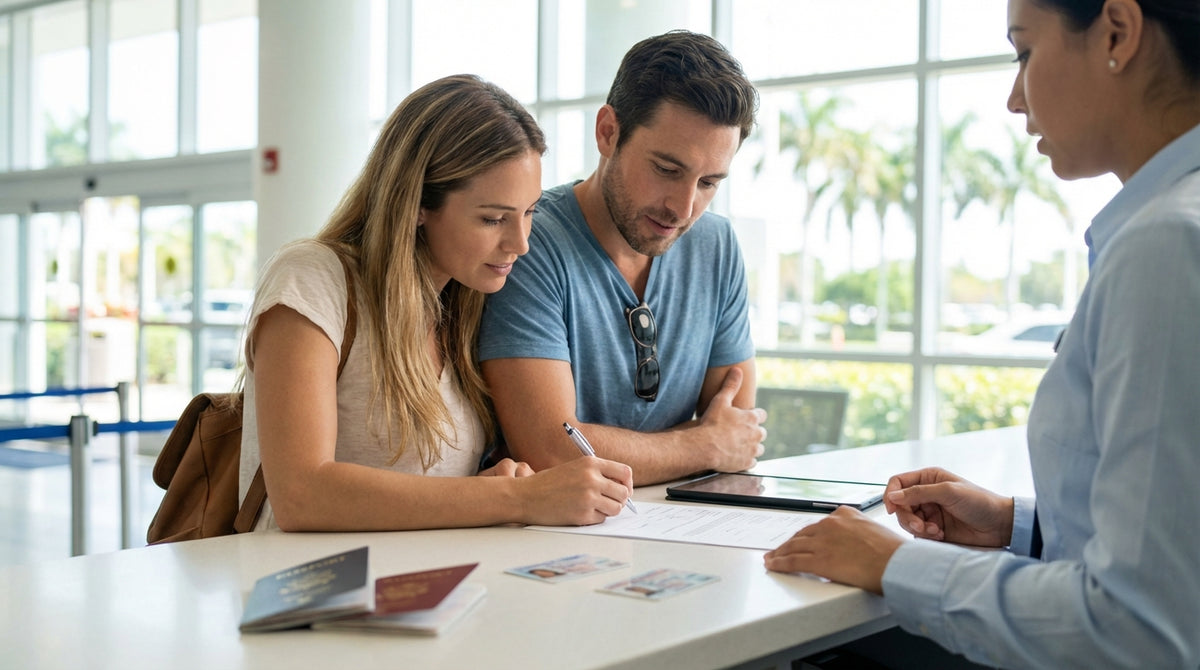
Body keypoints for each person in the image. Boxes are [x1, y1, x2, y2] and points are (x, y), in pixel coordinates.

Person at [764, 0, 1200, 667]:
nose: (1013, 97)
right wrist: (1021, 525)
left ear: (1117, 31)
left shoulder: (1165, 247)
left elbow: (1139, 627)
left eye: (1024, 52)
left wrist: (896, 563)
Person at [237, 74, 634, 532]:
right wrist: (513, 496)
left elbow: (431, 490)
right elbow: (303, 495)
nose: (521, 244)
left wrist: (492, 482)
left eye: (529, 213)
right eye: (492, 219)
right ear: (419, 203)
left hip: (428, 590)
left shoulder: (463, 306)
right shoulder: (313, 279)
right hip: (315, 595)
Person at [478, 30, 766, 486]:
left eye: (709, 182)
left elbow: (738, 430)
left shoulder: (717, 245)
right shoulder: (529, 243)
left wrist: (709, 444)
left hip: (676, 525)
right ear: (608, 132)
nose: (684, 207)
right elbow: (549, 449)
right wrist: (701, 444)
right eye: (667, 170)